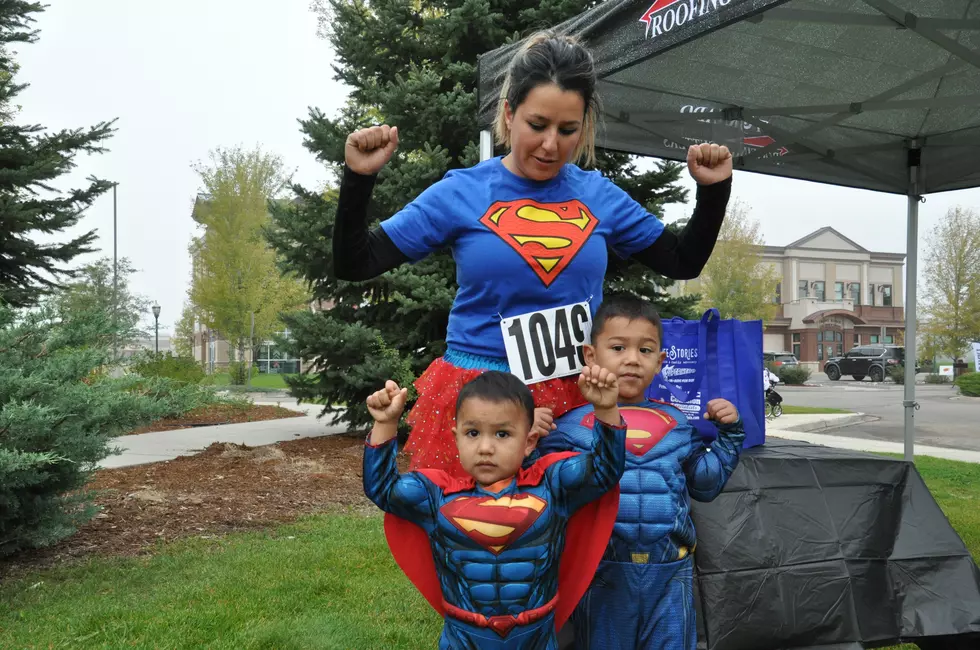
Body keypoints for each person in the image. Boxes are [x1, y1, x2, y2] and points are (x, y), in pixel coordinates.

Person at [335, 31, 733, 478]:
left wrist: (713, 192)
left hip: (577, 395)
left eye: (568, 130)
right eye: (537, 125)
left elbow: (681, 262)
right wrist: (358, 179)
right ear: (509, 114)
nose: (550, 145)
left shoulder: (599, 197)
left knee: (571, 541)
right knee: (468, 533)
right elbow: (357, 262)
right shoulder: (461, 192)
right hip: (479, 395)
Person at [363, 369, 626, 649]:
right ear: (457, 438)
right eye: (473, 433)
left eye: (502, 434)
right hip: (464, 636)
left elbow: (604, 470)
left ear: (529, 442)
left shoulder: (552, 486)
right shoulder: (435, 496)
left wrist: (606, 408)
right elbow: (383, 488)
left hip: (535, 636)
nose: (485, 447)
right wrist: (386, 423)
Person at [537, 295, 745, 650]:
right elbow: (542, 494)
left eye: (645, 351)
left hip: (670, 573)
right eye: (618, 347)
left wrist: (731, 434)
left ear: (661, 361)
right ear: (591, 355)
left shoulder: (677, 423)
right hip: (600, 574)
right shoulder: (568, 428)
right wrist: (531, 442)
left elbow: (705, 485)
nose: (632, 359)